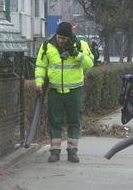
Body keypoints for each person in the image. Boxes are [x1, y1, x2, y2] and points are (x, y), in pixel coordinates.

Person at [35, 22, 94, 163]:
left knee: (74, 121)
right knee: (55, 121)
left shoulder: (80, 45)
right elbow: (40, 66)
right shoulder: (47, 46)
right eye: (59, 37)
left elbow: (90, 63)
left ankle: (72, 152)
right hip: (55, 91)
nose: (61, 40)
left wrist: (76, 54)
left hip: (74, 91)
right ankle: (54, 152)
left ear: (70, 37)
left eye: (64, 38)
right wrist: (39, 83)